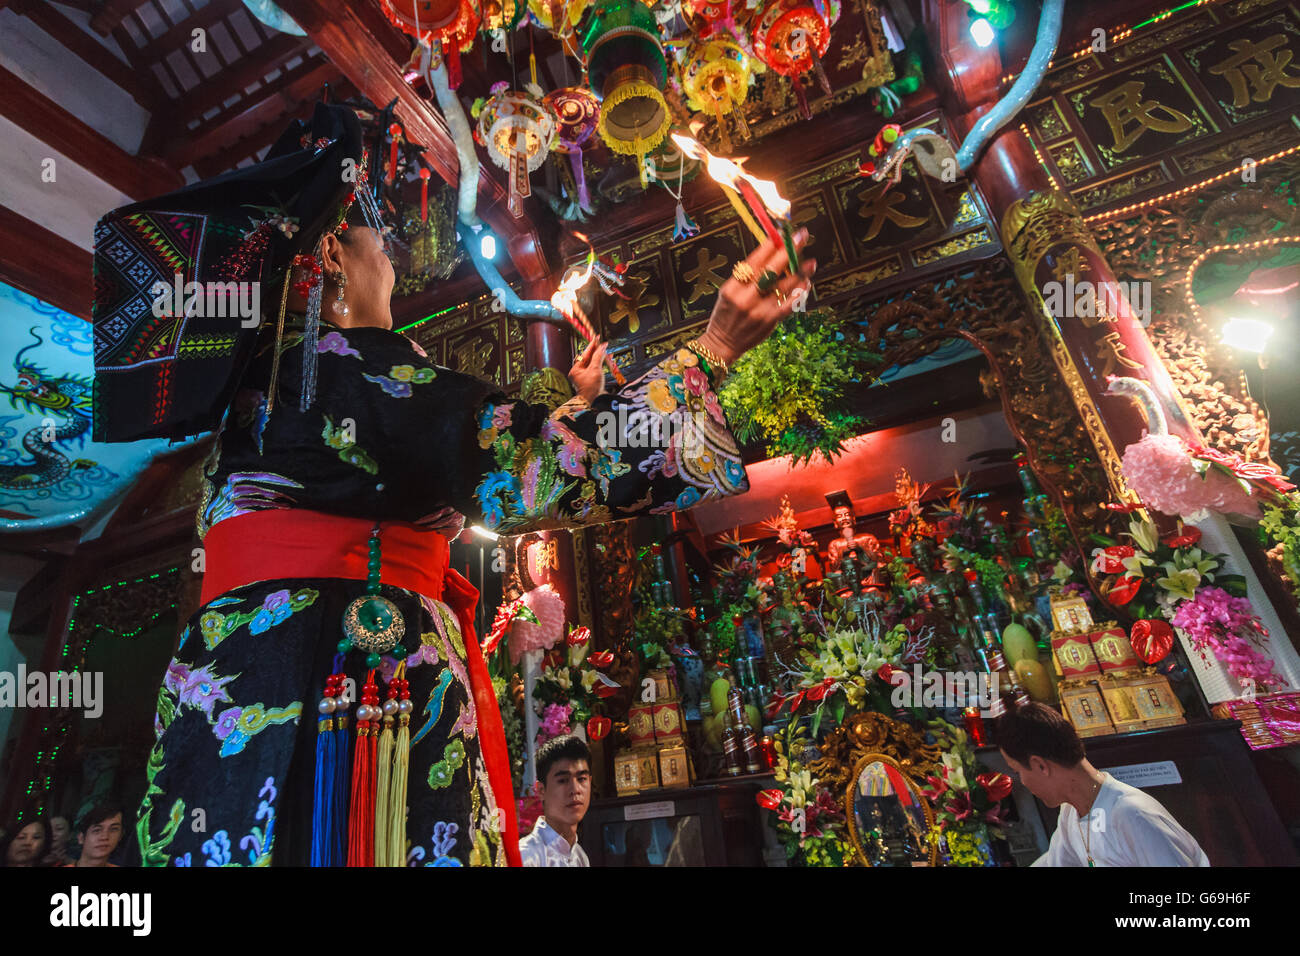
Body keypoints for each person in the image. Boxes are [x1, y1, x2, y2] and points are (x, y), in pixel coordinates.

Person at [93, 104, 815, 868]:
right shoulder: (371, 374)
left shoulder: (269, 394)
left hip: (234, 688)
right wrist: (712, 349)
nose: (394, 256)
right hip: (350, 686)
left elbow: (421, 477)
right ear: (334, 251)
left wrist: (569, 408)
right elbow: (548, 469)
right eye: (378, 231)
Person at [997, 701, 1209, 866]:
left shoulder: (1132, 815)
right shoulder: (1071, 812)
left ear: (1040, 765)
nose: (1022, 782)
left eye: (1017, 771)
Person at [519, 735, 592, 867]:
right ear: (541, 790)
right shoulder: (526, 856)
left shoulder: (580, 857)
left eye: (581, 779)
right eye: (563, 780)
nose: (575, 789)